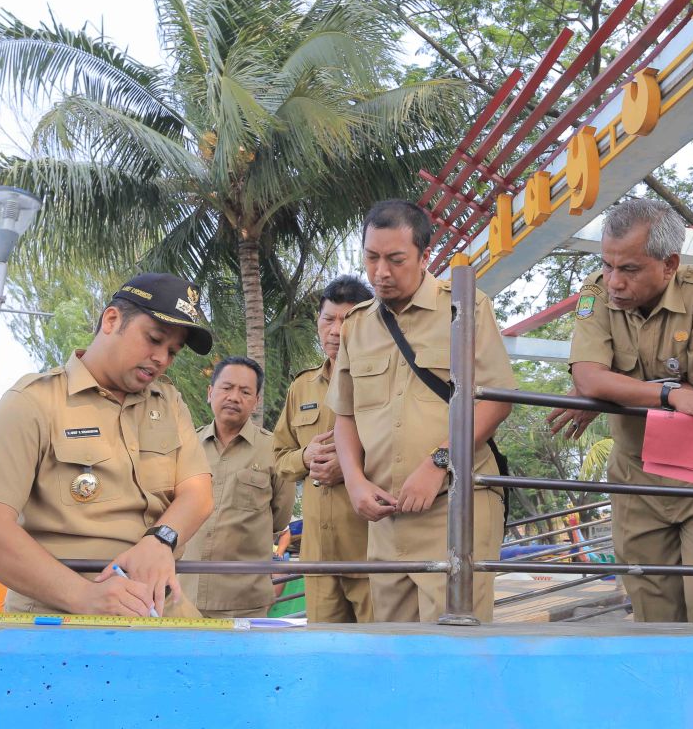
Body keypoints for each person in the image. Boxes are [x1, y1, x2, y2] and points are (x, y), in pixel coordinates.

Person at [0, 273, 215, 617]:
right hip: (59, 610)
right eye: (154, 339)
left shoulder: (168, 403)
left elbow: (198, 493)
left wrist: (160, 539)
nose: (161, 358)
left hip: (158, 604)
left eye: (172, 352)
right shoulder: (35, 402)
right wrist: (86, 598)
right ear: (112, 320)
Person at [327, 200, 516, 622]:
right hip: (386, 517)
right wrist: (356, 482)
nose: (381, 273)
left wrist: (439, 462)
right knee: (393, 654)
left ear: (424, 256)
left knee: (456, 651)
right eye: (371, 258)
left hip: (454, 510)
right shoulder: (356, 324)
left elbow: (497, 398)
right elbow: (345, 416)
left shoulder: (464, 308)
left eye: (396, 260)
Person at [561, 198, 693, 623]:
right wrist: (669, 394)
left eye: (629, 269)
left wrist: (618, 391)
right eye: (607, 265)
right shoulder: (594, 292)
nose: (613, 282)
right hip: (636, 477)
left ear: (669, 264)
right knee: (652, 616)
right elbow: (590, 378)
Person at [274, 275, 375, 623]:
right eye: (327, 319)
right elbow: (276, 457)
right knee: (324, 654)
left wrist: (350, 465)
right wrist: (304, 457)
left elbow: (405, 453)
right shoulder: (301, 387)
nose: (335, 330)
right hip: (318, 558)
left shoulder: (385, 382)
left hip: (371, 554)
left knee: (380, 653)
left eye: (346, 320)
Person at [182, 357, 296, 618]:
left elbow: (280, 519)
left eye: (245, 392)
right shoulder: (186, 447)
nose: (234, 397)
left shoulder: (274, 451)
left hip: (244, 601)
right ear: (210, 393)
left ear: (255, 402)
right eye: (226, 388)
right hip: (183, 594)